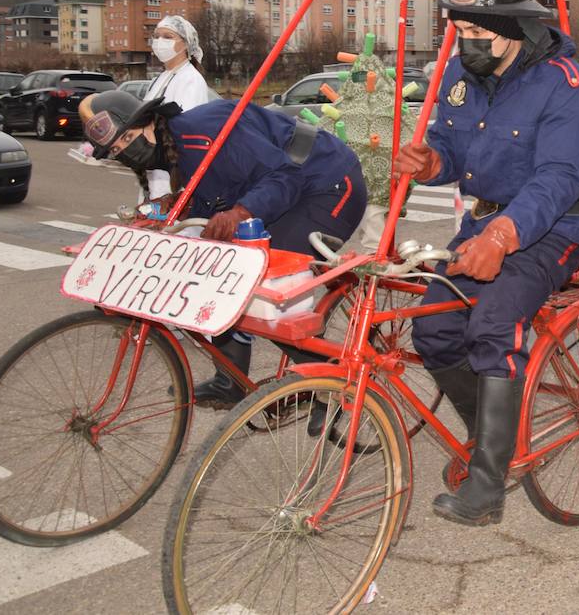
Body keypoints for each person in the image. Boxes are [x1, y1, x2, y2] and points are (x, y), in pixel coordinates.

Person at [391, 0, 579, 528]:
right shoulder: (463, 70)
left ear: (512, 26)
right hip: (483, 221)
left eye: (477, 29)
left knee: (491, 325)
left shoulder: (566, 84)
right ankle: (491, 435)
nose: (465, 40)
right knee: (433, 329)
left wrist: (505, 234)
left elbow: (559, 178)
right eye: (457, 27)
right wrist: (431, 161)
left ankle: (488, 484)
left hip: (554, 227)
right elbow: (454, 150)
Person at [79, 90, 367, 407]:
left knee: (264, 286)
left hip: (327, 182)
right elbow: (215, 193)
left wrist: (241, 212)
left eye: (129, 138)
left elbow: (284, 176)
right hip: (292, 190)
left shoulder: (201, 131)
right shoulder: (177, 154)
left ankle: (332, 384)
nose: (126, 151)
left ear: (149, 122)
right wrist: (175, 206)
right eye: (118, 149)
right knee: (220, 272)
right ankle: (230, 381)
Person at [141, 15, 212, 199]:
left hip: (175, 173)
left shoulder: (190, 79)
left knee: (173, 225)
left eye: (167, 36)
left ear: (186, 44)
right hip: (154, 168)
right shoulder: (159, 78)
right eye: (156, 36)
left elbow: (188, 127)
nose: (159, 41)